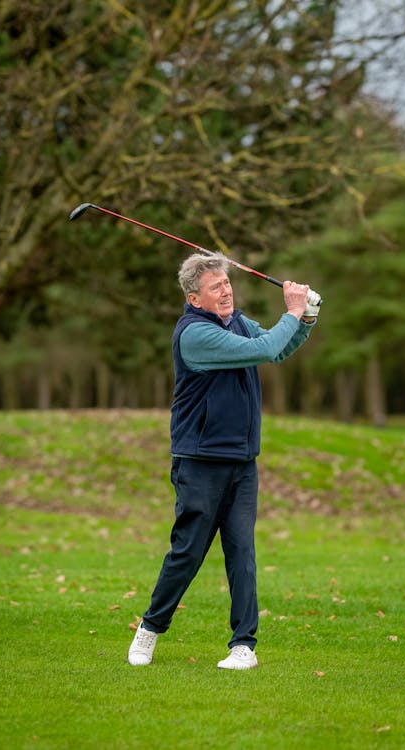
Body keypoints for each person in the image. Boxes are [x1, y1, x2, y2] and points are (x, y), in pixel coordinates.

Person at [128, 252, 319, 670]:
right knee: (188, 552)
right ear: (196, 299)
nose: (227, 291)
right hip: (199, 461)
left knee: (241, 553)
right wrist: (291, 309)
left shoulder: (235, 321)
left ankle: (243, 646)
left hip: (241, 460)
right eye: (216, 287)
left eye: (227, 284)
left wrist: (305, 320)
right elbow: (266, 348)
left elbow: (279, 349)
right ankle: (150, 629)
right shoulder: (194, 334)